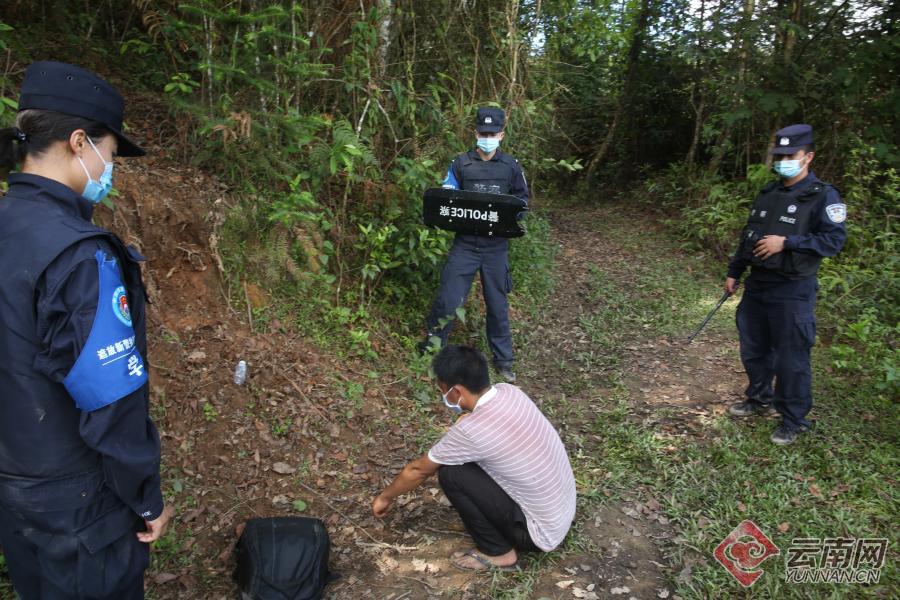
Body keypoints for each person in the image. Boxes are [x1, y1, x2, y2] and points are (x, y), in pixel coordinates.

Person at [0, 61, 172, 598]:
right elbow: (109, 397)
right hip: (77, 502)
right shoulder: (78, 255)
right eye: (111, 154)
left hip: (14, 485)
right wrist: (145, 496)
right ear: (80, 142)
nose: (110, 169)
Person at [372, 345, 575, 571]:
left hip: (538, 533)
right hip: (560, 512)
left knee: (451, 473)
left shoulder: (471, 431)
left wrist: (385, 497)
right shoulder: (510, 392)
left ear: (456, 391)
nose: (443, 396)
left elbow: (418, 470)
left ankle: (499, 552)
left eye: (443, 390)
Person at [724, 124, 847, 445]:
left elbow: (833, 241)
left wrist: (787, 242)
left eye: (791, 155)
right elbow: (749, 235)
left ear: (808, 157)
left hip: (793, 290)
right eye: (779, 156)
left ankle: (793, 419)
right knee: (754, 348)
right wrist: (735, 271)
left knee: (791, 358)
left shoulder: (823, 196)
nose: (783, 161)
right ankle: (758, 397)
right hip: (758, 285)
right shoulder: (769, 193)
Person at [421, 107, 529, 382]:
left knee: (497, 305)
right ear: (475, 133)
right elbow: (446, 197)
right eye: (483, 133)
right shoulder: (460, 164)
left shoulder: (511, 166)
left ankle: (504, 361)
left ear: (502, 135)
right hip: (465, 244)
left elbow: (522, 202)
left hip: (496, 247)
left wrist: (509, 219)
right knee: (448, 299)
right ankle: (432, 350)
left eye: (493, 134)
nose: (487, 138)